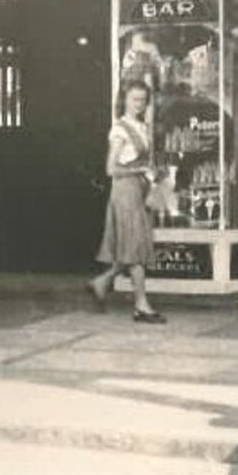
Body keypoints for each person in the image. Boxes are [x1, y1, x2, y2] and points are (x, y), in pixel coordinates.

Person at [88, 80, 166, 324]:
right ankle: (141, 305)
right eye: (134, 99)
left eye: (143, 100)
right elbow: (110, 168)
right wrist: (141, 168)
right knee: (136, 249)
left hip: (137, 192)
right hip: (125, 194)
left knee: (131, 247)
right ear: (124, 100)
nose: (139, 104)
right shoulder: (120, 129)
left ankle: (101, 282)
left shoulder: (141, 127)